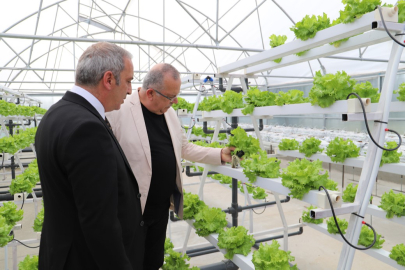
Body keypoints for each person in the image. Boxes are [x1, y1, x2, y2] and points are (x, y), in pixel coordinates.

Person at [106, 63, 233, 269]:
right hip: (132, 211)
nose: (175, 102)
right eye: (170, 97)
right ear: (150, 93)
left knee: (153, 261)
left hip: (160, 208)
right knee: (129, 261)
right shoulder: (118, 110)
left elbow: (184, 147)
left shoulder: (169, 112)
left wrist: (219, 154)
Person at [35, 42, 144, 270]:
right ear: (108, 79)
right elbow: (99, 222)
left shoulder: (56, 114)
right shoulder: (87, 128)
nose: (130, 90)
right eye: (128, 80)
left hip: (60, 253)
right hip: (84, 260)